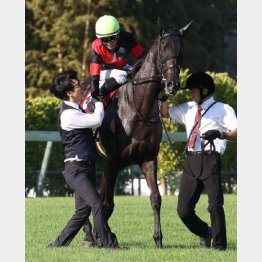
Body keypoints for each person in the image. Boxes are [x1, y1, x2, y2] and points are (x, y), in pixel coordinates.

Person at [160, 71, 237, 251]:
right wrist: (163, 98)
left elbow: (237, 131)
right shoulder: (187, 108)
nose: (190, 94)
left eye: (193, 90)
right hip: (191, 161)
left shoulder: (223, 109)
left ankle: (219, 245)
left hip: (210, 159)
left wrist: (220, 133)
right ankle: (205, 232)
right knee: (183, 210)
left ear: (204, 90)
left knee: (215, 205)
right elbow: (165, 114)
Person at [47, 70, 121, 249]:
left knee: (83, 211)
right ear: (69, 93)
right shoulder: (68, 114)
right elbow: (96, 120)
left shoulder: (76, 110)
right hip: (76, 169)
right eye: (78, 85)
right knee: (97, 203)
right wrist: (99, 102)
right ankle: (108, 244)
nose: (81, 87)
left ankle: (57, 245)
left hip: (85, 166)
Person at [89, 15, 145, 99]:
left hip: (124, 68)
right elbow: (94, 75)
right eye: (104, 39)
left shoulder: (128, 38)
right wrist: (95, 95)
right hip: (105, 72)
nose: (109, 42)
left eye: (112, 37)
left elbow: (143, 58)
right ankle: (101, 94)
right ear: (100, 39)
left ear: (118, 34)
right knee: (121, 76)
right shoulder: (96, 46)